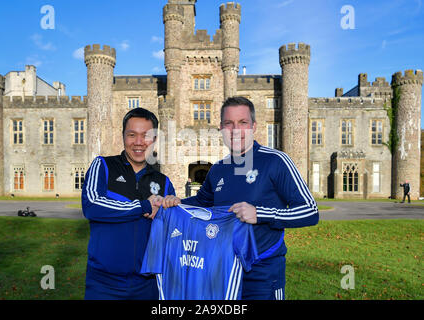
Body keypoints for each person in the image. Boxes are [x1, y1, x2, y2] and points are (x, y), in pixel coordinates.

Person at [162, 96, 319, 300]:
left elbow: (310, 212)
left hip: (262, 273)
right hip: (222, 269)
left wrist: (259, 213)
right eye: (229, 123)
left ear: (253, 126)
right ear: (221, 128)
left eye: (242, 122)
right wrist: (175, 202)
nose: (235, 130)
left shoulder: (275, 161)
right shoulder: (218, 169)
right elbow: (202, 203)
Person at [82, 107, 175, 300]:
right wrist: (143, 206)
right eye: (132, 135)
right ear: (123, 136)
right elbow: (92, 205)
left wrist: (172, 209)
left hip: (147, 285)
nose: (139, 142)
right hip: (104, 284)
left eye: (146, 136)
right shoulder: (103, 166)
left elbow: (174, 233)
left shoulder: (164, 182)